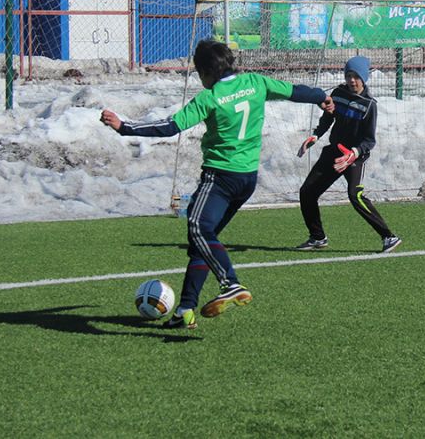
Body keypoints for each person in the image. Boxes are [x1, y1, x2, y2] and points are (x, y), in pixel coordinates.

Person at [100, 39, 331, 329]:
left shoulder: (209, 98)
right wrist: (321, 97)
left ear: (206, 72)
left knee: (198, 227)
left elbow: (171, 126)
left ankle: (230, 283)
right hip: (247, 179)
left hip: (219, 178)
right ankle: (184, 310)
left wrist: (124, 127)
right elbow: (296, 92)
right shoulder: (256, 82)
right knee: (202, 242)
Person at [295, 55, 402, 253]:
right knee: (307, 192)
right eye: (348, 76)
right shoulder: (338, 93)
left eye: (356, 76)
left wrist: (354, 153)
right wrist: (316, 136)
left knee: (355, 195)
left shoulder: (369, 105)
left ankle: (389, 237)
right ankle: (317, 237)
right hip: (334, 153)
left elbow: (369, 141)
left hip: (353, 158)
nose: (352, 80)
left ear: (364, 78)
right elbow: (328, 118)